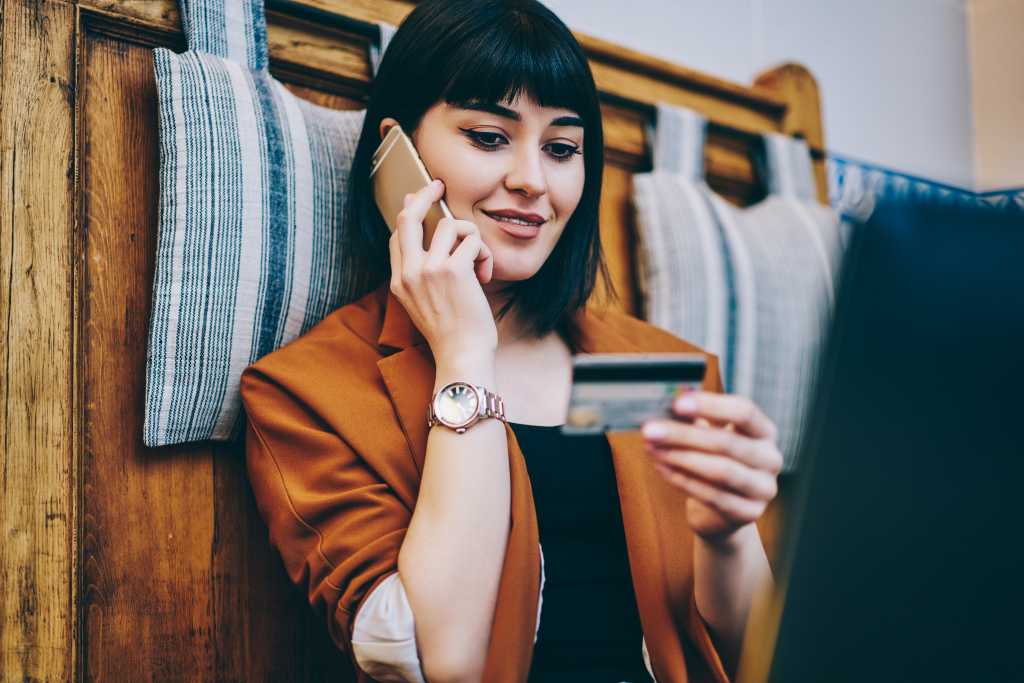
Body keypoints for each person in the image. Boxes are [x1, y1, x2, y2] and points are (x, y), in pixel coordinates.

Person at [239, 1, 783, 682]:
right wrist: (466, 354)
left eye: (560, 148)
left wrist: (726, 534)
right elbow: (446, 661)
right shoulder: (311, 391)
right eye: (489, 136)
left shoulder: (644, 373)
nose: (532, 180)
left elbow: (756, 655)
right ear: (396, 152)